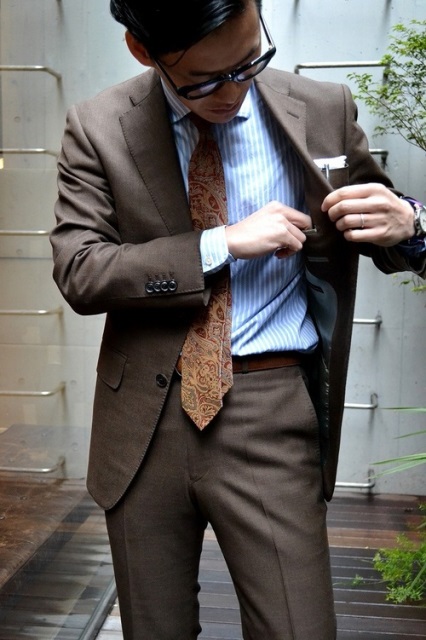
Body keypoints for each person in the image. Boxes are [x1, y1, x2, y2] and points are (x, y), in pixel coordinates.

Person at [50, 1, 426, 638]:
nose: (233, 91)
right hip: (143, 421)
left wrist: (412, 224)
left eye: (250, 61)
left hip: (270, 409)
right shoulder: (99, 126)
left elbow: (377, 220)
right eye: (203, 81)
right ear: (143, 50)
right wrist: (220, 243)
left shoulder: (323, 110)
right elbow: (80, 270)